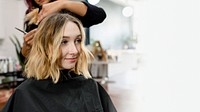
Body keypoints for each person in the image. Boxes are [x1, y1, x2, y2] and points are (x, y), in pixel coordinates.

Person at [2, 13, 116, 112]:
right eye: (64, 41)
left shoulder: (89, 86)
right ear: (45, 46)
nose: (75, 50)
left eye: (78, 40)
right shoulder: (25, 94)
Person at [21, 0, 106, 58]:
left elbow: (99, 15)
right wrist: (27, 46)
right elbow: (26, 56)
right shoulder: (30, 15)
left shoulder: (65, 11)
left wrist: (62, 4)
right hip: (42, 73)